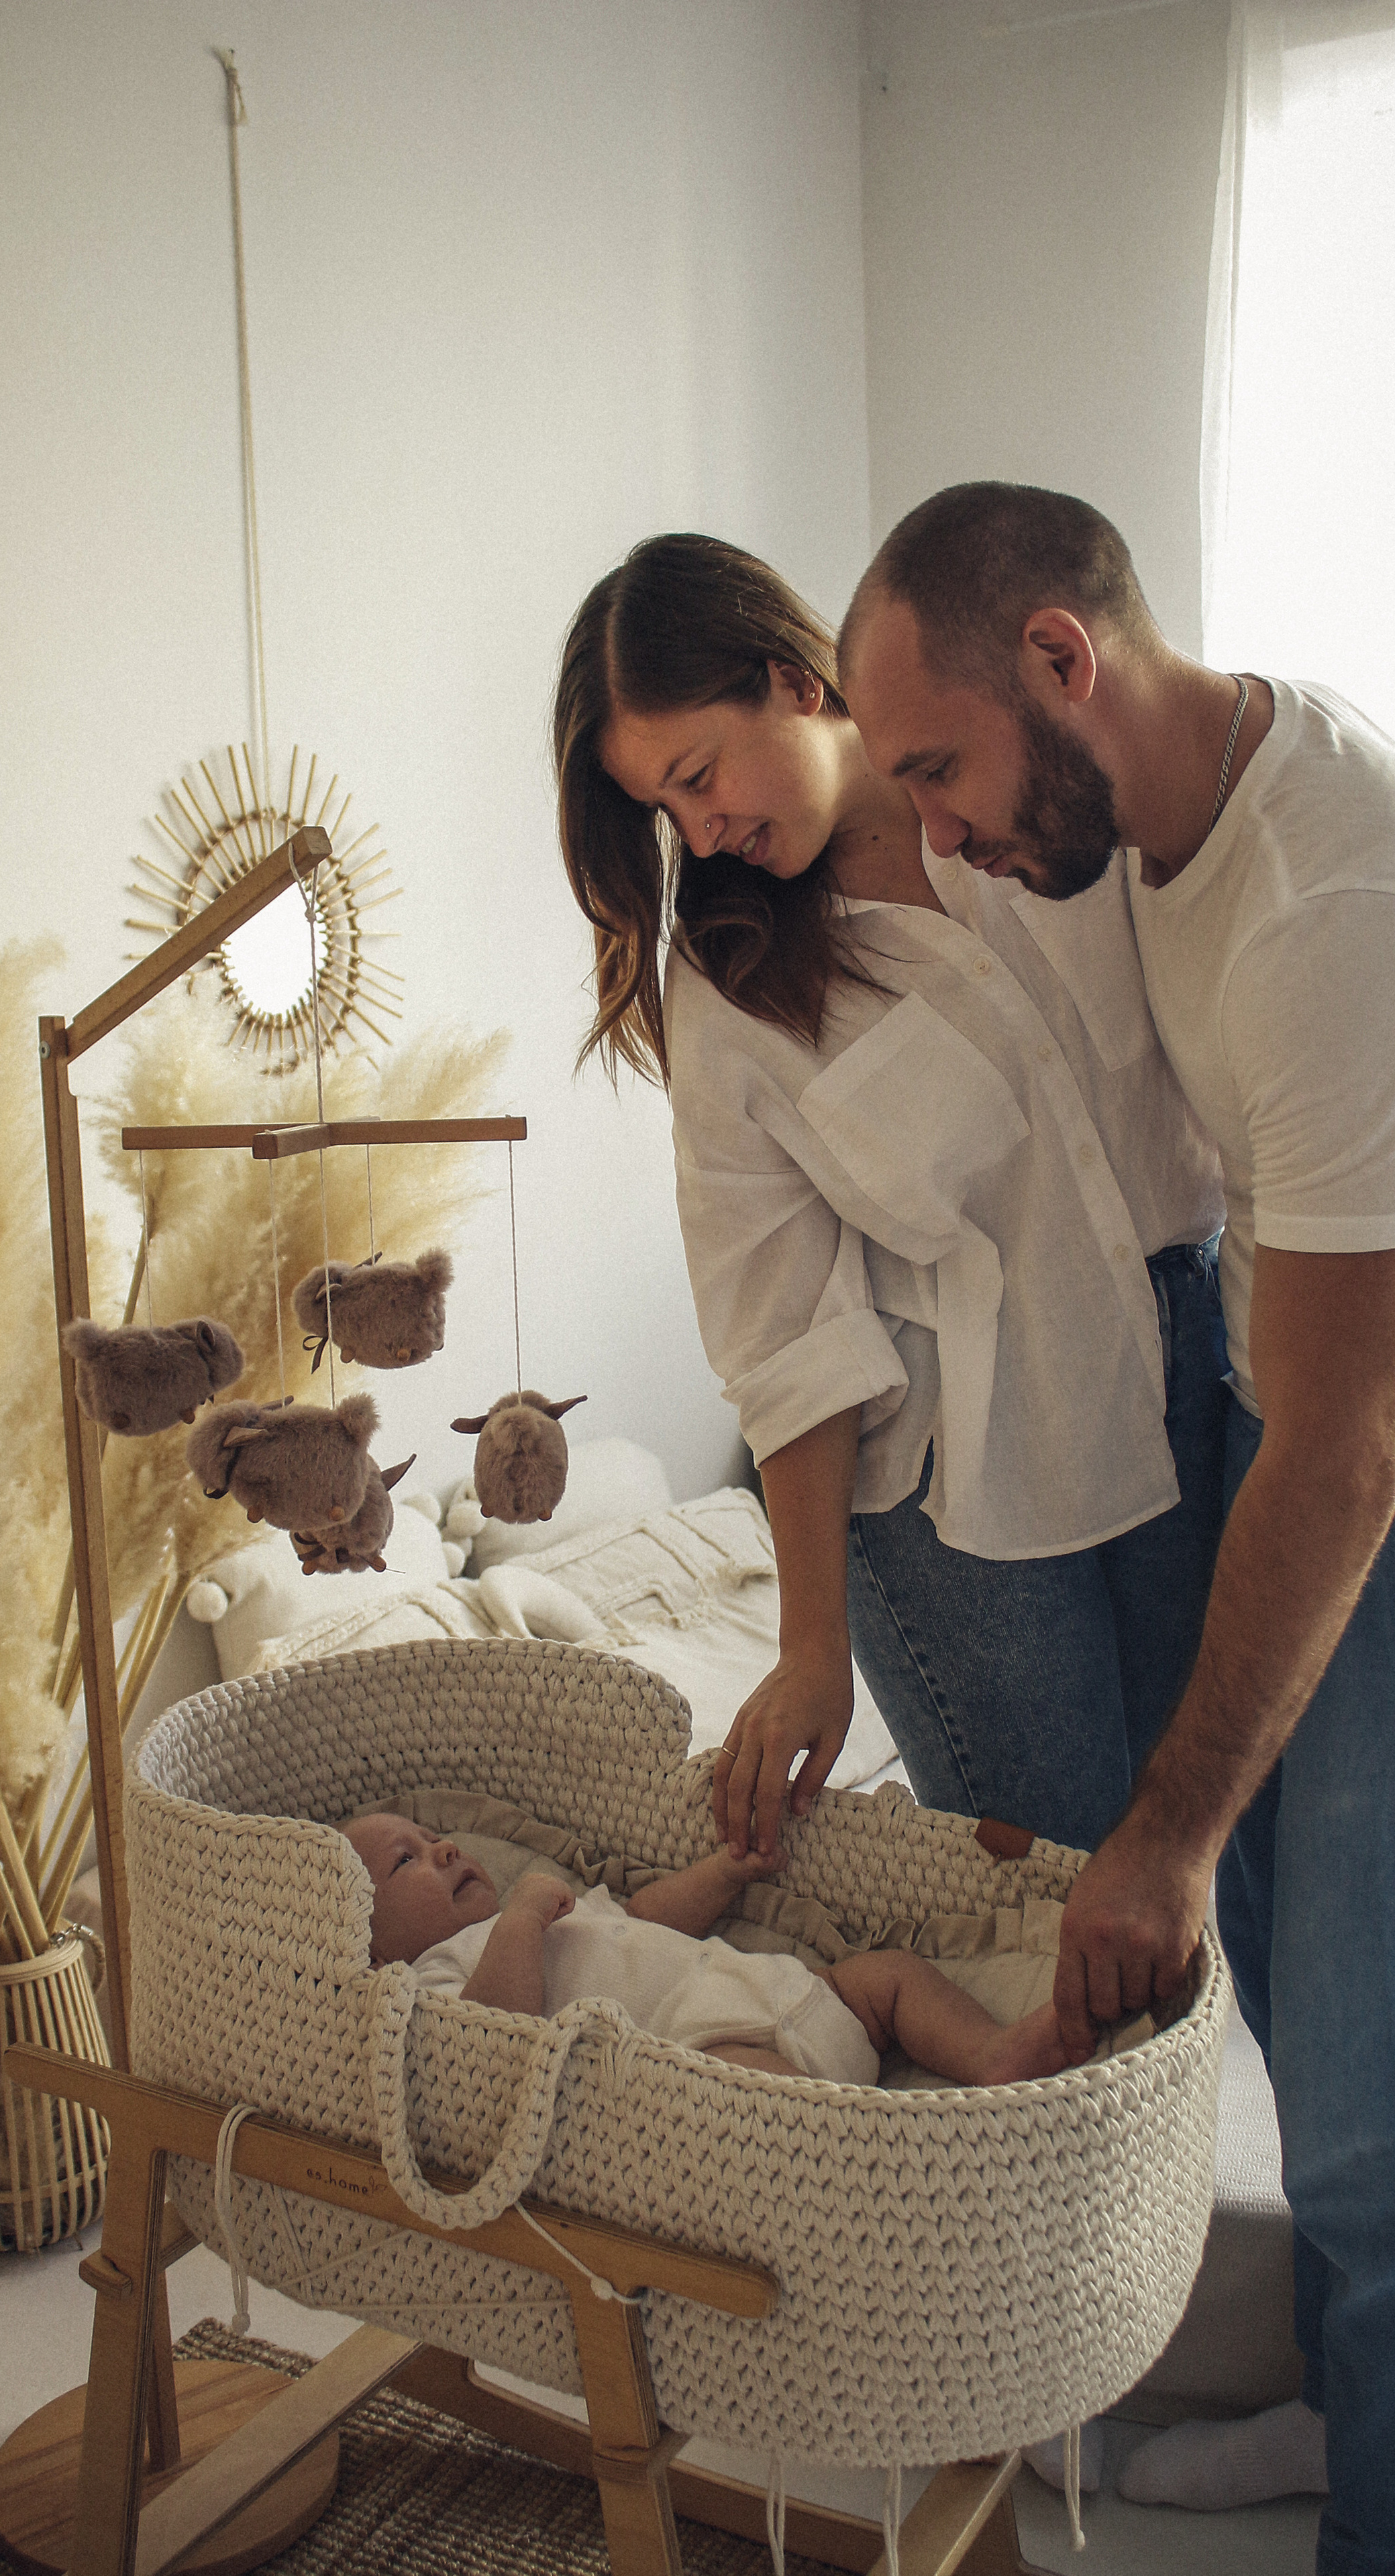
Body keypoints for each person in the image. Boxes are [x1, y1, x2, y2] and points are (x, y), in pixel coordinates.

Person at [839, 481, 1395, 2574]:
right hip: (1288, 1406)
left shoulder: (1346, 907)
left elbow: (1351, 1450)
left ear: (1064, 661)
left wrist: (1163, 1833)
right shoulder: (1148, 815)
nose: (936, 829)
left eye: (938, 771)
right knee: (1306, 2003)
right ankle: (1344, 2407)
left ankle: (1393, 2535)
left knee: (1382, 2103)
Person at [552, 533, 1227, 1864]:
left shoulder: (1038, 790)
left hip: (1188, 1373)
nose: (701, 834)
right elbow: (784, 1335)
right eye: (665, 811)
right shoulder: (733, 985)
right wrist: (813, 1646)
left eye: (699, 775)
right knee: (1048, 1893)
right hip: (955, 1485)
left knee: (1198, 1859)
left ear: (791, 682)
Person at [340, 1813, 1068, 2086]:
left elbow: (645, 1918)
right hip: (712, 2044)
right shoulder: (437, 1978)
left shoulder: (551, 1908)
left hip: (800, 1994)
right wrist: (520, 1923)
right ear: (371, 1942)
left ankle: (989, 2055)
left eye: (432, 1837)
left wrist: (722, 1873)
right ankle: (880, 2151)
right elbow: (492, 2044)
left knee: (891, 1976)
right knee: (747, 2093)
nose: (444, 1849)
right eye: (406, 1861)